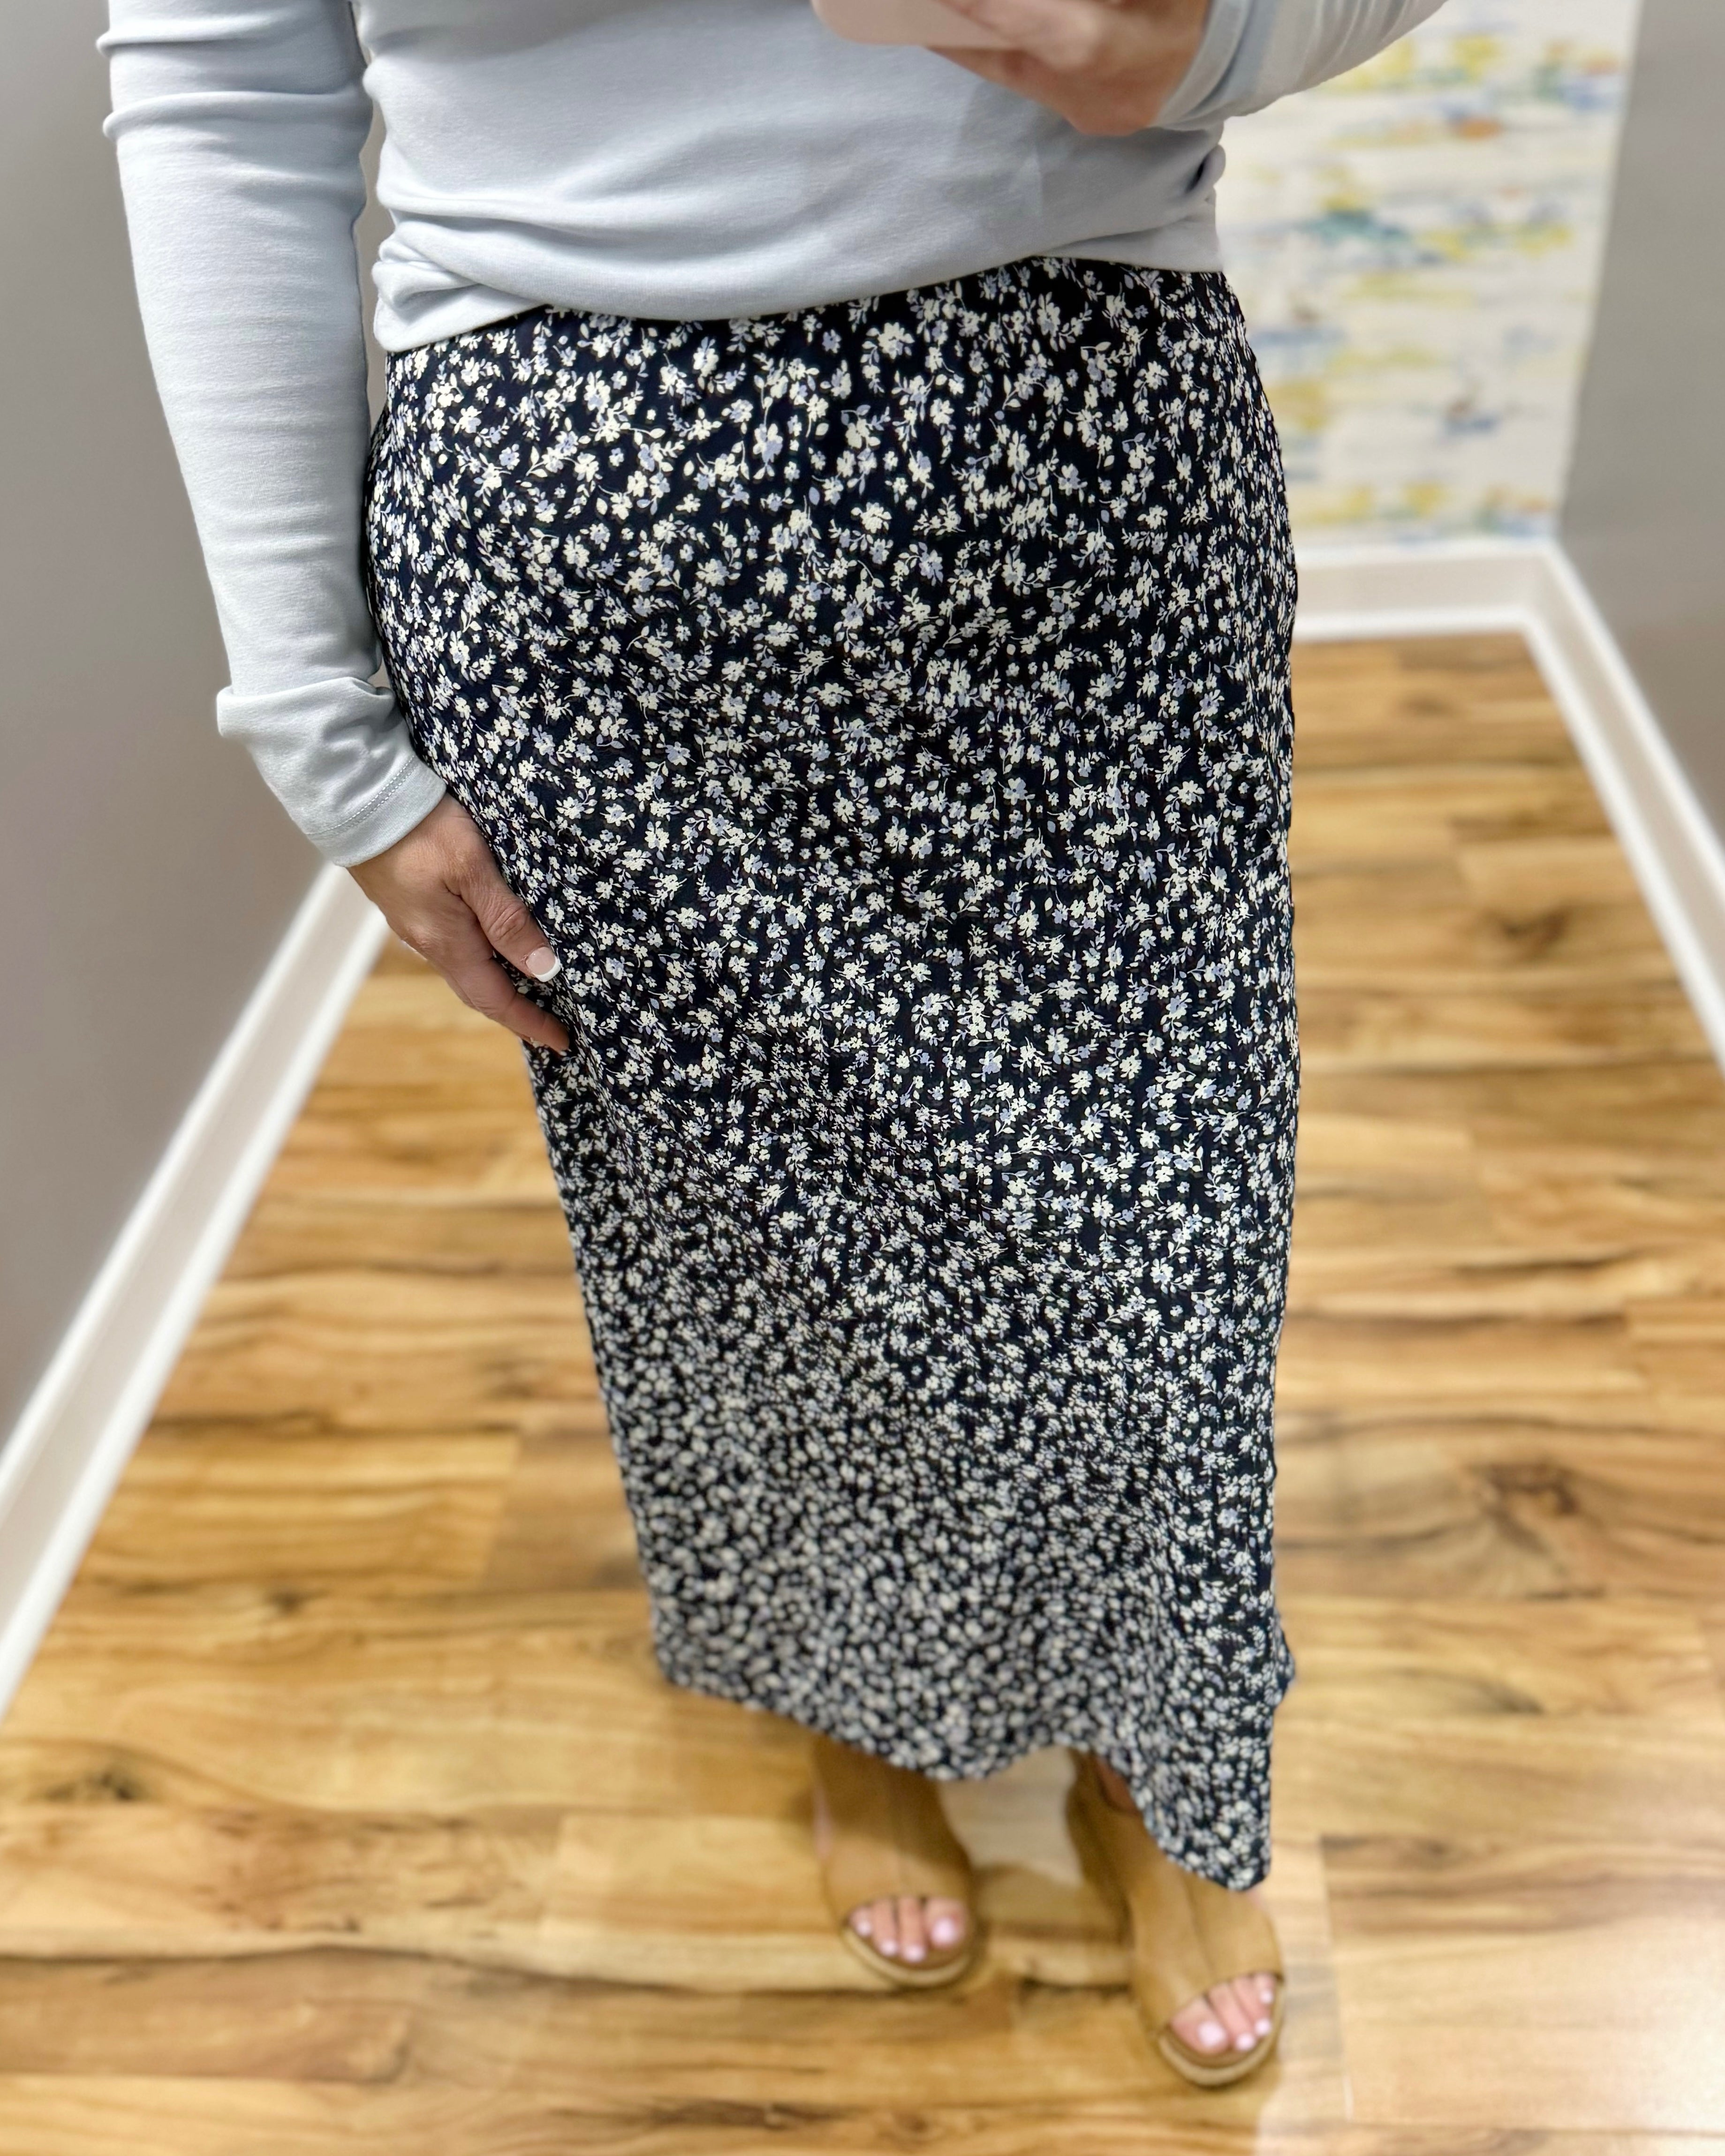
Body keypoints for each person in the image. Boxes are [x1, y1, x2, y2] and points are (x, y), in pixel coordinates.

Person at [104, 0, 1442, 2088]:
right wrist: (313, 713)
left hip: (1079, 483)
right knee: (765, 1272)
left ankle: (1143, 1758)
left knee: (1147, 1248)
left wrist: (1206, 36)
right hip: (583, 565)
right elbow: (220, 79)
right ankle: (863, 1709)